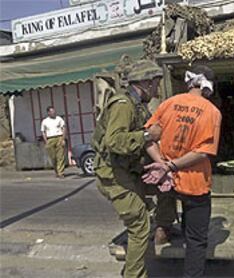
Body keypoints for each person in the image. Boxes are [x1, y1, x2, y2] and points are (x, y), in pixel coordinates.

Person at [143, 65, 222, 277]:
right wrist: (171, 166)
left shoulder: (168, 104)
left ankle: (163, 230)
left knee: (172, 210)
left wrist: (162, 164)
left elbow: (148, 139)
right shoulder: (212, 112)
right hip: (195, 184)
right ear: (207, 87)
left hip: (168, 182)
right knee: (196, 240)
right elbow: (203, 153)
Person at [92, 59, 165, 278]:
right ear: (144, 83)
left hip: (126, 171)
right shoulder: (123, 105)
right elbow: (114, 141)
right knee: (140, 225)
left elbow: (144, 142)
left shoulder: (137, 106)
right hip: (112, 175)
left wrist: (162, 164)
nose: (157, 88)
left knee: (150, 206)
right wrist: (146, 135)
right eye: (155, 83)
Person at [41, 106, 66, 178]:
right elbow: (43, 132)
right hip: (50, 139)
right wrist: (46, 141)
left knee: (60, 156)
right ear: (48, 113)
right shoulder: (45, 121)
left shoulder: (59, 119)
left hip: (59, 137)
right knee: (53, 157)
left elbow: (64, 128)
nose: (53, 113)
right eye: (51, 112)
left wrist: (63, 139)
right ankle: (56, 171)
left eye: (54, 111)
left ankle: (61, 172)